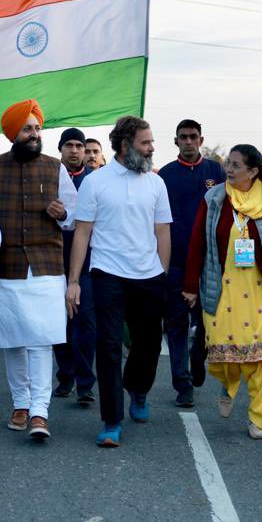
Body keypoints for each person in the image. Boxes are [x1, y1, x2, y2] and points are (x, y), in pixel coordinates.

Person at [183, 145, 262, 438]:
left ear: (254, 171)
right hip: (223, 289)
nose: (229, 169)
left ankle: (257, 415)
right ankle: (228, 385)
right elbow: (197, 243)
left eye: (236, 165)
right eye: (228, 163)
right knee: (223, 353)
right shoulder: (214, 199)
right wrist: (190, 286)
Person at [66, 116, 171, 448]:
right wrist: (74, 281)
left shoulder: (156, 183)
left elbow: (163, 231)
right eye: (146, 142)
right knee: (108, 346)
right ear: (126, 145)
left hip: (149, 275)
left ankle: (137, 390)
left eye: (152, 142)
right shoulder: (96, 182)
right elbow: (82, 232)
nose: (152, 147)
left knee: (149, 344)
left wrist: (163, 274)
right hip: (108, 273)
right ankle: (112, 420)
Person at [0, 100, 76, 440]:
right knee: (12, 339)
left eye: (37, 128)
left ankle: (39, 412)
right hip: (5, 267)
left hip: (46, 267)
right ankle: (20, 404)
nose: (34, 134)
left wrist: (62, 214)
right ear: (13, 133)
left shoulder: (56, 167)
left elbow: (76, 215)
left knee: (41, 340)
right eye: (27, 129)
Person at [158, 119, 226, 407]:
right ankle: (182, 383)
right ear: (176, 141)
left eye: (193, 137)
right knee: (176, 325)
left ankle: (198, 358)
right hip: (175, 262)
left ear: (201, 140)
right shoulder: (165, 175)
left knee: (209, 322)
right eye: (183, 137)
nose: (188, 141)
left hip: (210, 262)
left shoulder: (215, 171)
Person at [52, 127, 98, 404]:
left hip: (89, 264)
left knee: (85, 323)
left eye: (79, 145)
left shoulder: (95, 180)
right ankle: (65, 376)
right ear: (61, 149)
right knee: (60, 323)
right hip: (55, 261)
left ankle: (85, 382)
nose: (74, 150)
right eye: (68, 145)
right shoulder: (49, 176)